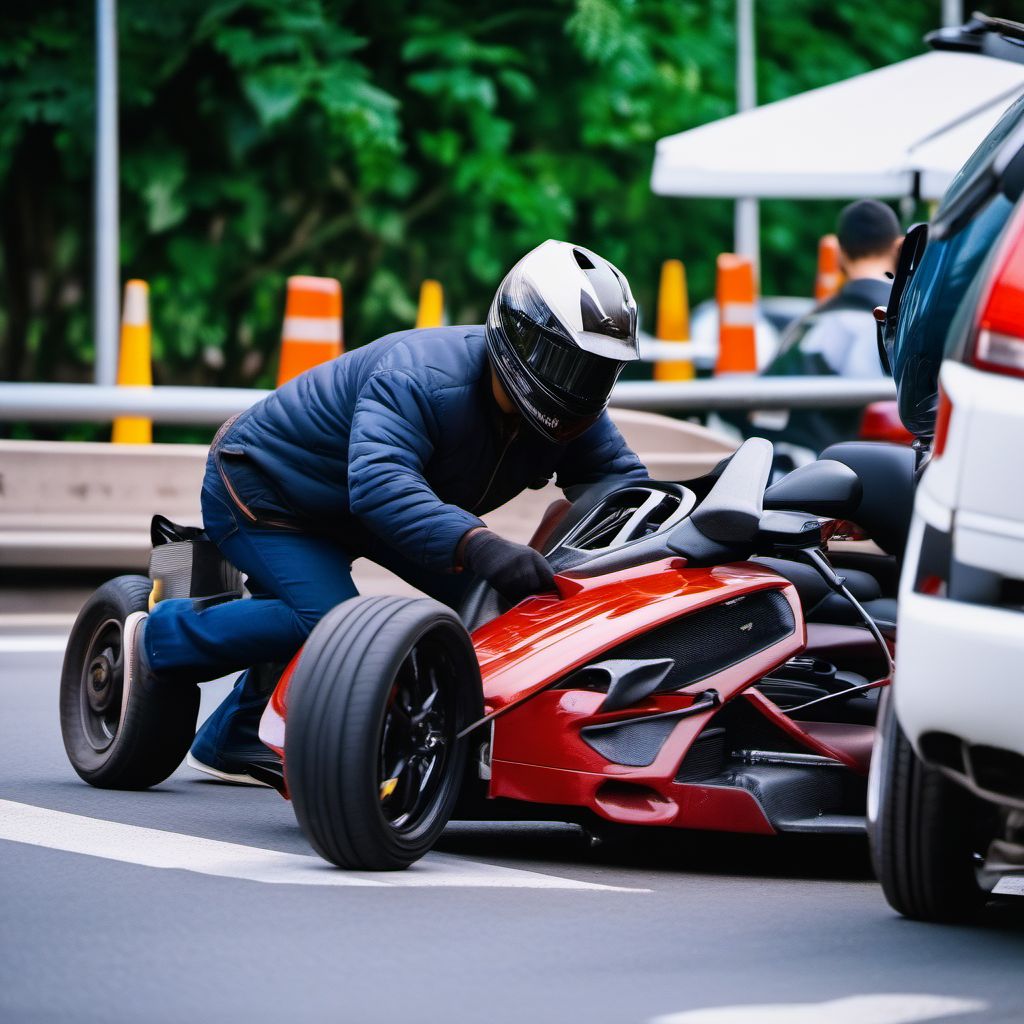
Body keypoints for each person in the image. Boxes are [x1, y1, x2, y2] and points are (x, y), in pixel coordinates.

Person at [122, 240, 649, 785]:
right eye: (567, 362)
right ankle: (158, 637)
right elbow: (379, 483)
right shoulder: (418, 377)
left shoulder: (572, 413)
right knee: (329, 624)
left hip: (360, 506)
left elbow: (622, 483)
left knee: (502, 604)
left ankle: (233, 738)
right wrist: (481, 543)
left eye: (596, 372)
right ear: (516, 334)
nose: (578, 386)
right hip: (265, 490)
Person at [747, 199, 903, 461]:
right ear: (898, 247)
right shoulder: (915, 326)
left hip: (815, 480)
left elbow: (758, 410)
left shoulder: (809, 328)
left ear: (840, 253)